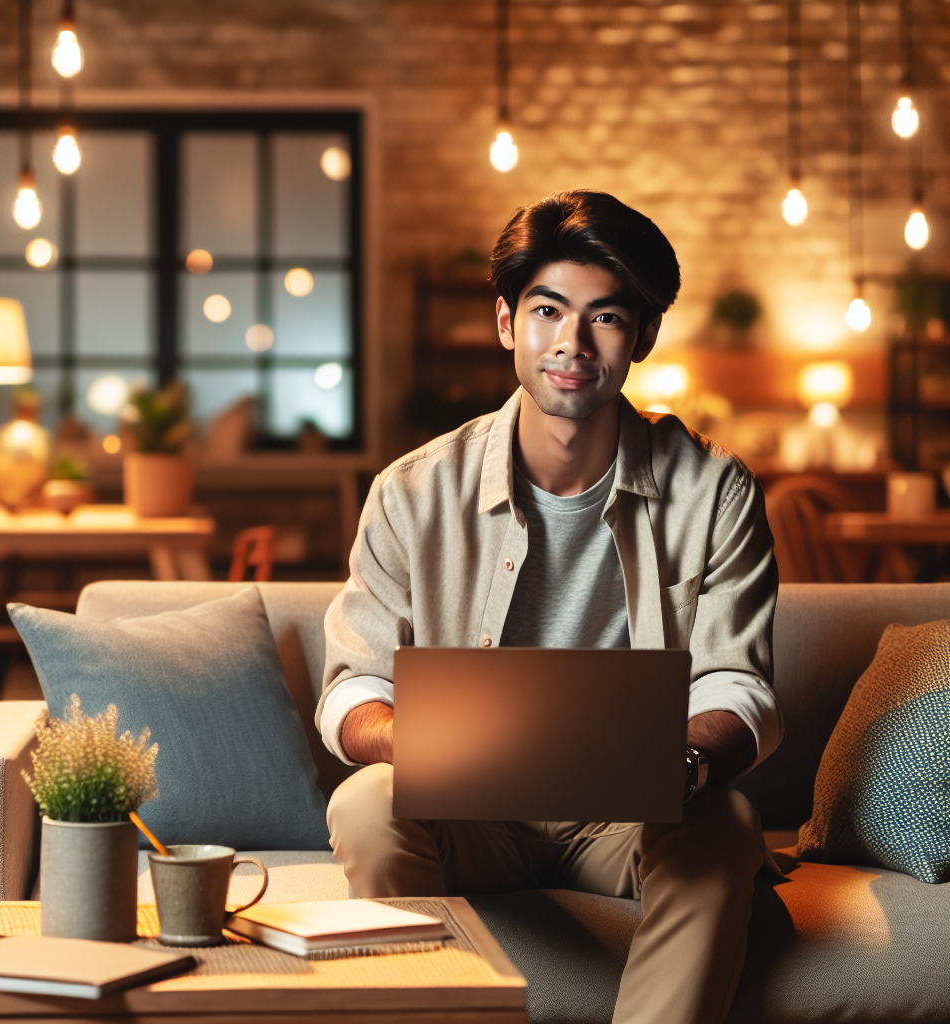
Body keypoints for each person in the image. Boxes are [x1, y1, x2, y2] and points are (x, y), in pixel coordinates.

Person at [315, 190, 781, 1024]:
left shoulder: (714, 491)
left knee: (725, 822)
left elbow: (738, 686)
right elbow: (350, 689)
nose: (571, 342)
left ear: (640, 335)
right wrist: (429, 742)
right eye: (547, 310)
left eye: (604, 317)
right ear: (507, 323)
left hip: (629, 819)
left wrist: (677, 762)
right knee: (364, 803)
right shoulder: (412, 492)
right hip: (464, 815)